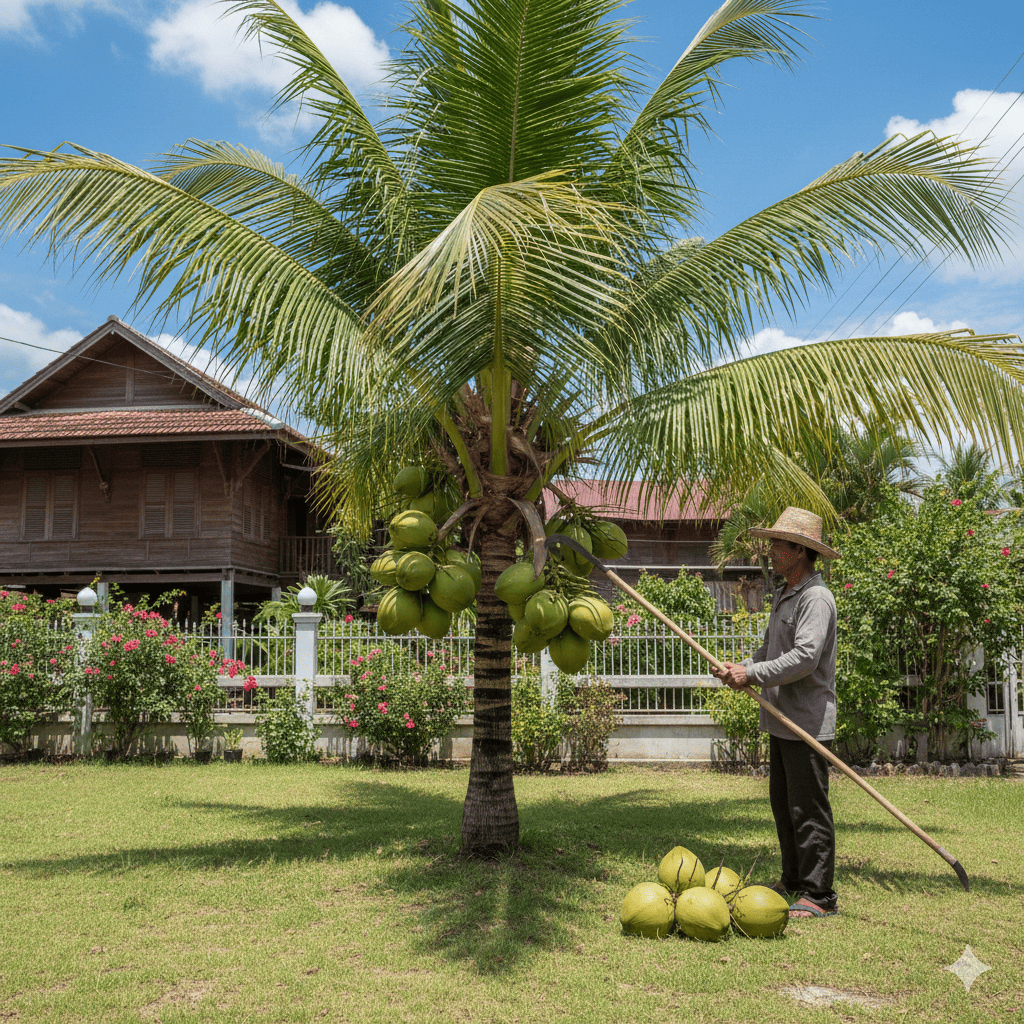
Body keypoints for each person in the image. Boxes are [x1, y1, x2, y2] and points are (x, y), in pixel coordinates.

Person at [712, 507, 841, 919]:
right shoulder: (786, 594)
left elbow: (805, 657)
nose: (770, 550)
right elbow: (770, 653)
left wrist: (751, 673)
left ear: (800, 550)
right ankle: (792, 879)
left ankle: (819, 894)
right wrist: (740, 669)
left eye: (777, 544)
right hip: (782, 722)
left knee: (809, 809)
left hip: (806, 724)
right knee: (784, 805)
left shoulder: (816, 598)